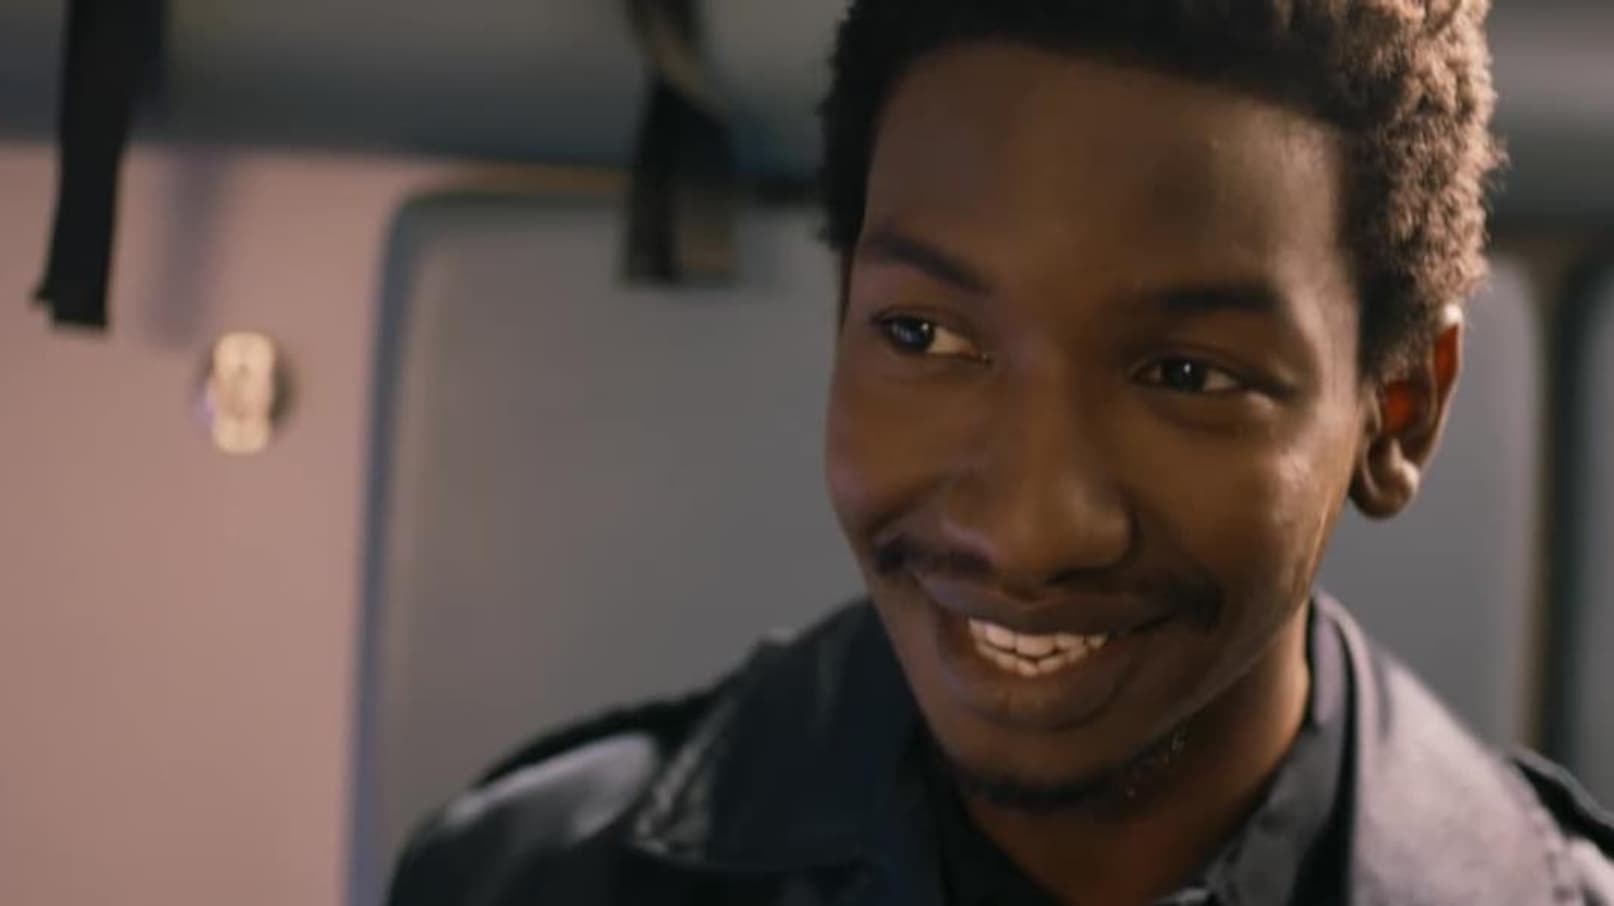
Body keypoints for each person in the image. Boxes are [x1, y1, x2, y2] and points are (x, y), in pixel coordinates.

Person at [384, 1, 1614, 903]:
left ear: (1398, 412)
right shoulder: (524, 882)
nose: (1026, 534)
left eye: (1187, 375)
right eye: (923, 335)